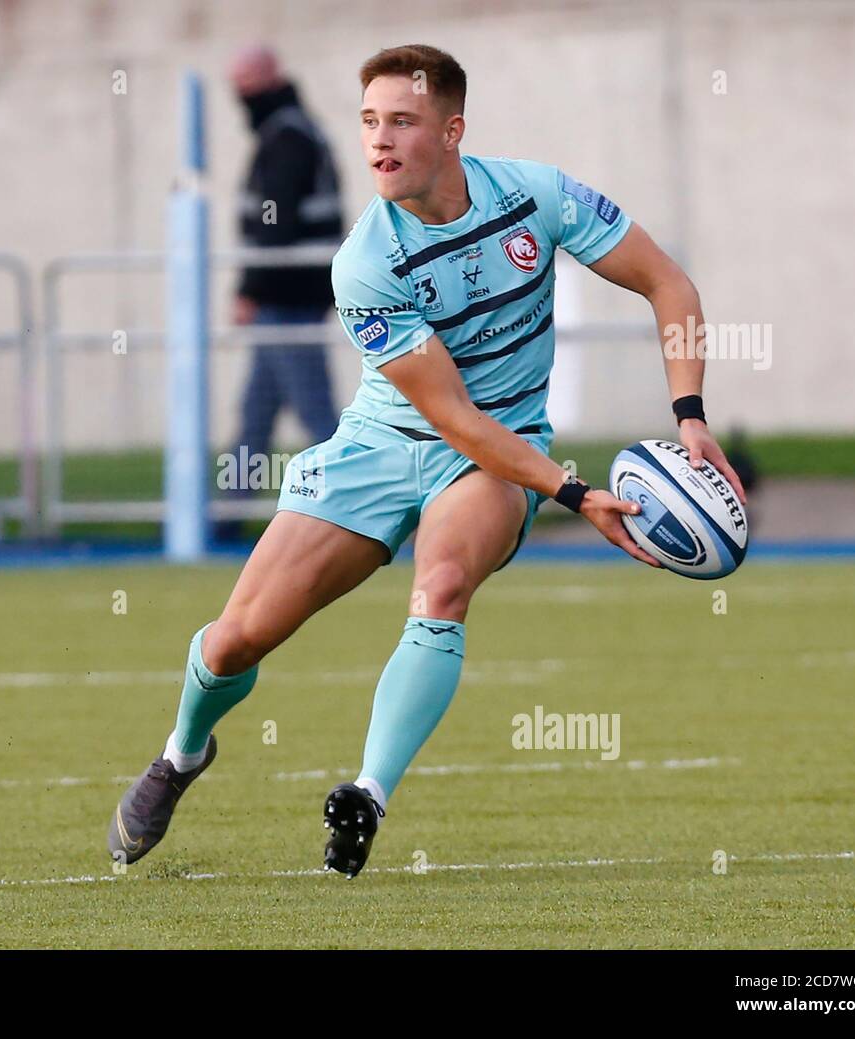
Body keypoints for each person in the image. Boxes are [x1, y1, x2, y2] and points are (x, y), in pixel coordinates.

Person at [109, 44, 747, 878]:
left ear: (452, 132)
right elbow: (447, 413)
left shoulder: (536, 196)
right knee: (234, 642)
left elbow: (670, 284)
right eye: (369, 121)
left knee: (442, 583)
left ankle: (368, 794)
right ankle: (182, 753)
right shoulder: (366, 261)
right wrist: (574, 491)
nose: (378, 140)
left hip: (493, 459)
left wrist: (690, 414)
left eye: (401, 122)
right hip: (383, 446)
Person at [215, 46, 342, 539]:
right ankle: (224, 521)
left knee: (318, 417)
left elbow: (275, 221)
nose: (241, 98)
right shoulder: (291, 131)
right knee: (256, 415)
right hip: (288, 298)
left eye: (246, 86)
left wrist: (249, 288)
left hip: (287, 299)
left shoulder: (287, 139)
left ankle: (362, 510)